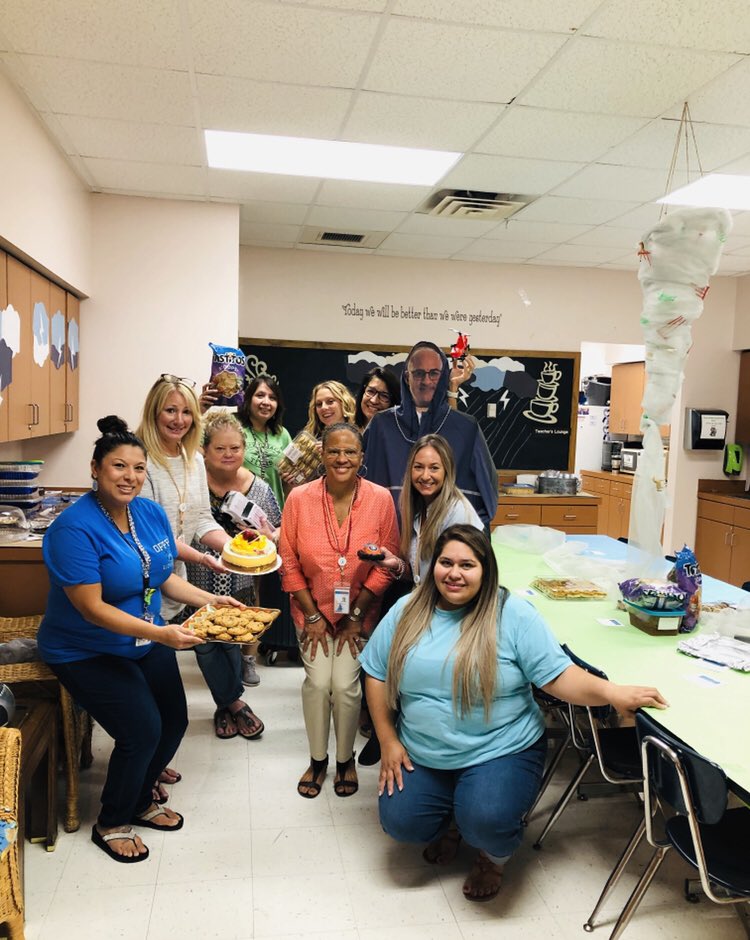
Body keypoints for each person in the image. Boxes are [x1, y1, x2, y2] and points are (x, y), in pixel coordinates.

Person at [360, 525, 668, 902]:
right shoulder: (407, 610)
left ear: (486, 571)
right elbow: (375, 671)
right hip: (424, 751)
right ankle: (455, 823)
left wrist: (610, 692)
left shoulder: (513, 614)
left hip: (499, 749)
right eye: (445, 562)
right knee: (403, 823)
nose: (454, 573)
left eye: (467, 565)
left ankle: (493, 856)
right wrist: (389, 740)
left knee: (488, 821)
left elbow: (557, 677)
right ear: (434, 566)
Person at [38, 416, 246, 863]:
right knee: (141, 728)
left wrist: (211, 600)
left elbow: (165, 579)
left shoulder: (148, 514)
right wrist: (161, 633)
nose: (129, 477)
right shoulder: (72, 529)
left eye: (137, 468)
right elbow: (92, 608)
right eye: (118, 466)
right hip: (85, 648)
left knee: (174, 720)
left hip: (143, 637)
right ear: (95, 469)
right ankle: (112, 820)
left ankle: (137, 796)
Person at [137, 374, 264, 741]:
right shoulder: (141, 461)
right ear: (153, 412)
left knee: (162, 684)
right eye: (169, 410)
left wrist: (230, 548)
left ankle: (152, 759)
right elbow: (153, 538)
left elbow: (199, 518)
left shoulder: (193, 459)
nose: (179, 419)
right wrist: (203, 559)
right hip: (140, 584)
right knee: (147, 686)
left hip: (175, 578)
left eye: (186, 411)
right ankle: (147, 765)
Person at [279, 422, 399, 799]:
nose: (342, 458)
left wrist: (357, 615)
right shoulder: (299, 498)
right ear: (322, 455)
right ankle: (318, 760)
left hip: (359, 614)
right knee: (318, 683)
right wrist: (312, 615)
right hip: (310, 610)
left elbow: (386, 561)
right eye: (334, 451)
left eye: (350, 452)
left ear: (362, 458)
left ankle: (345, 759)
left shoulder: (380, 499)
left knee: (345, 686)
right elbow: (288, 560)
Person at [187, 410, 281, 688]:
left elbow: (278, 529)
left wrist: (269, 536)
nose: (228, 454)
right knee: (206, 622)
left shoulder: (260, 488)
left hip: (244, 574)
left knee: (245, 614)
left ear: (244, 449)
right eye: (219, 448)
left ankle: (247, 659)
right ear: (204, 450)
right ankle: (216, 667)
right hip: (200, 567)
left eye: (235, 448)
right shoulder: (193, 482)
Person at [363, 341, 498, 526]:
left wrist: (466, 536)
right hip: (391, 541)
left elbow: (487, 495)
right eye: (418, 373)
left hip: (446, 544)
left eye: (434, 373)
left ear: (443, 376)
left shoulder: (466, 428)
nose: (426, 381)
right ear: (406, 376)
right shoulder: (381, 425)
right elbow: (359, 480)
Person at [354, 366, 401, 431]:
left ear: (393, 402)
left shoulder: (399, 436)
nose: (374, 401)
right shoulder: (347, 432)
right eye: (370, 391)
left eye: (384, 396)